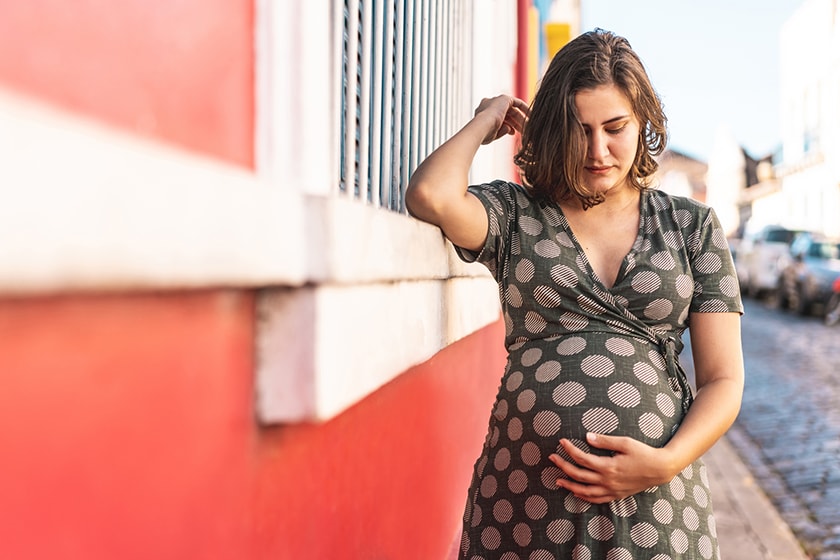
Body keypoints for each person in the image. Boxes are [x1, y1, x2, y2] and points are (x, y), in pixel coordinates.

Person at [405, 29, 745, 560]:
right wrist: (487, 120)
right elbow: (430, 194)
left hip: (657, 504)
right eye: (578, 129)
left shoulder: (691, 226)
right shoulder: (516, 214)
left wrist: (666, 461)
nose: (597, 150)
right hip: (527, 503)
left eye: (615, 128)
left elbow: (724, 380)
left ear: (643, 124)